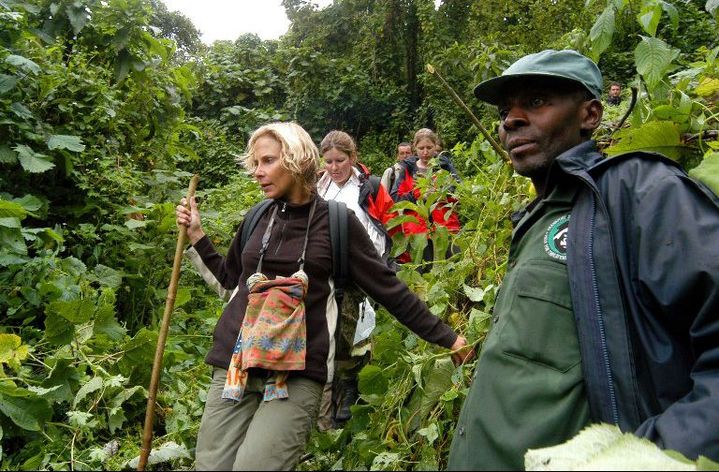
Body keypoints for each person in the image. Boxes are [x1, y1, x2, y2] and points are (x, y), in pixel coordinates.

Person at [448, 49, 719, 470]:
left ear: (590, 114)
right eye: (505, 111)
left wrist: (643, 458)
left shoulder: (641, 194)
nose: (510, 120)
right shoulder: (538, 219)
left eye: (536, 102)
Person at [175, 122, 473, 471]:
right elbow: (230, 282)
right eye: (256, 163)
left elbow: (388, 289)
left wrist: (449, 339)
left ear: (296, 160)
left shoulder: (337, 223)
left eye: (268, 161)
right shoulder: (256, 217)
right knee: (210, 467)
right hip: (236, 364)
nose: (258, 172)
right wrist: (197, 235)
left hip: (297, 372)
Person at [315, 129, 395, 430]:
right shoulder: (318, 187)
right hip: (326, 271)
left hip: (362, 270)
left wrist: (384, 261)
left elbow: (388, 221)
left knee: (356, 330)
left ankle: (351, 388)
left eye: (340, 160)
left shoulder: (369, 187)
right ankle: (330, 393)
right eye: (329, 161)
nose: (334, 168)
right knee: (328, 331)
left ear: (353, 158)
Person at [390, 128, 461, 264]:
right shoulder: (407, 169)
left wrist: (441, 192)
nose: (425, 152)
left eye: (429, 147)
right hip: (418, 231)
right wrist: (418, 195)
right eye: (421, 148)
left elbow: (459, 191)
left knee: (452, 267)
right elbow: (395, 198)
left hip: (446, 227)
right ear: (415, 148)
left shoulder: (445, 167)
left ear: (436, 147)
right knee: (423, 272)